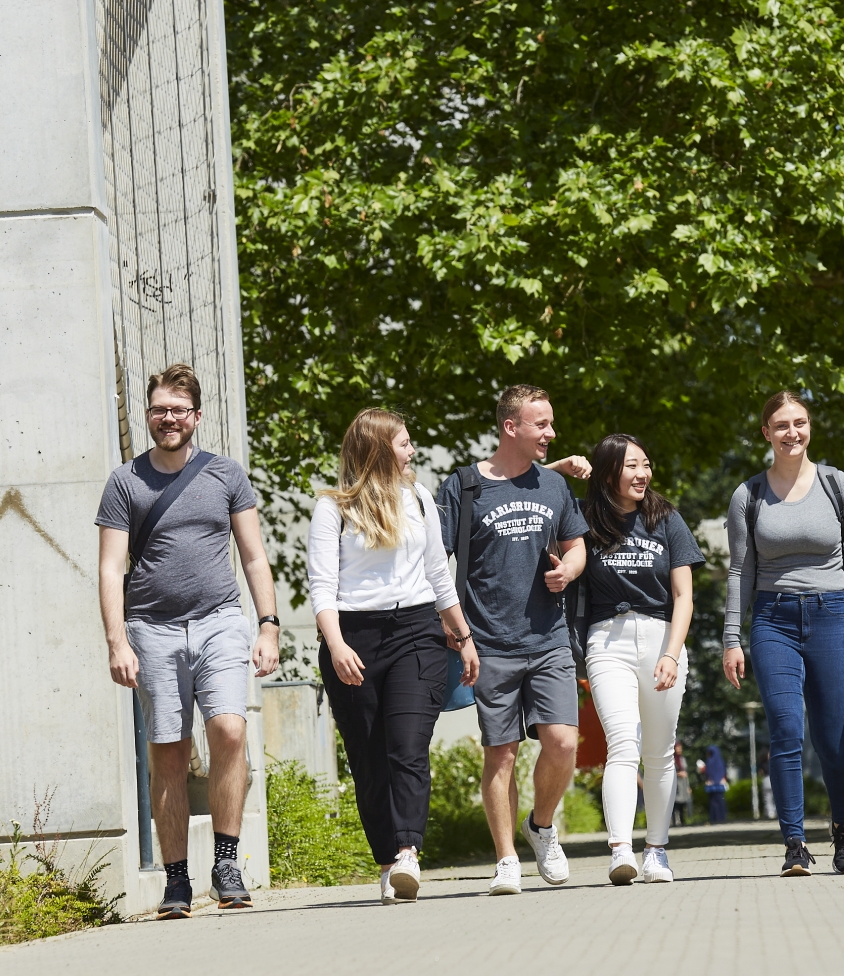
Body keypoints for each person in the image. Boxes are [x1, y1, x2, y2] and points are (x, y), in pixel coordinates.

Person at [96, 364, 280, 918]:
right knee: (169, 750)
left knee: (228, 728)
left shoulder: (226, 475)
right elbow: (110, 570)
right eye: (159, 410)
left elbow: (253, 555)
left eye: (178, 410)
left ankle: (226, 862)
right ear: (148, 416)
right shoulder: (125, 482)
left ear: (196, 417)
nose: (168, 418)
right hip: (151, 629)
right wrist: (116, 641)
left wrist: (268, 623)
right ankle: (176, 880)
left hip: (221, 620)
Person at [307, 409, 479, 905]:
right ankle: (386, 861)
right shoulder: (332, 508)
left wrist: (462, 636)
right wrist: (337, 645)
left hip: (416, 631)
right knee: (367, 758)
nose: (412, 452)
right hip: (353, 634)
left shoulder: (419, 499)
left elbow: (437, 573)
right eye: (404, 444)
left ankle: (408, 852)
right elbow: (322, 586)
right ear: (380, 450)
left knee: (407, 746)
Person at [724, 391, 844, 876]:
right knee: (785, 730)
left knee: (834, 737)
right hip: (773, 620)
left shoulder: (837, 484)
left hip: (832, 615)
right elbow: (739, 572)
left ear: (809, 426)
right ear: (766, 433)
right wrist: (732, 638)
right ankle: (795, 843)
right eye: (781, 425)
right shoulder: (748, 495)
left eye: (800, 422)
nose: (792, 432)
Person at [436, 385, 591, 896]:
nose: (551, 433)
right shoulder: (463, 487)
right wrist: (459, 634)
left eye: (550, 424)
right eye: (541, 424)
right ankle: (506, 859)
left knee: (563, 743)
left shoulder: (554, 486)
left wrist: (568, 570)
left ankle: (540, 826)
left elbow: (576, 547)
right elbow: (435, 563)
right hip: (489, 643)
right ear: (511, 427)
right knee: (500, 754)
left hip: (548, 640)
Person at [577, 434, 704, 885]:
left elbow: (684, 595)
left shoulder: (665, 518)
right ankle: (620, 851)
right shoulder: (584, 520)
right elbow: (524, 483)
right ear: (608, 472)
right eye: (631, 466)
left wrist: (671, 653)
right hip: (607, 640)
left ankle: (657, 851)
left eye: (646, 464)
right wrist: (560, 468)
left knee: (659, 751)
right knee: (622, 744)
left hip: (660, 637)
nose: (642, 474)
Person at [702, 746, 729, 825]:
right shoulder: (721, 762)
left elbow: (707, 773)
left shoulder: (709, 762)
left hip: (711, 786)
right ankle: (721, 817)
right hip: (720, 785)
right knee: (720, 802)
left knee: (713, 802)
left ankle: (714, 818)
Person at [672, 740, 692, 825]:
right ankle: (675, 821)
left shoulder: (682, 759)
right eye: (678, 748)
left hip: (683, 784)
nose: (679, 749)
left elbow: (685, 772)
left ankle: (683, 820)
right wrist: (679, 774)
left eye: (680, 748)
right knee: (676, 803)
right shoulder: (672, 760)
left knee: (684, 802)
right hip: (676, 784)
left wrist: (688, 786)